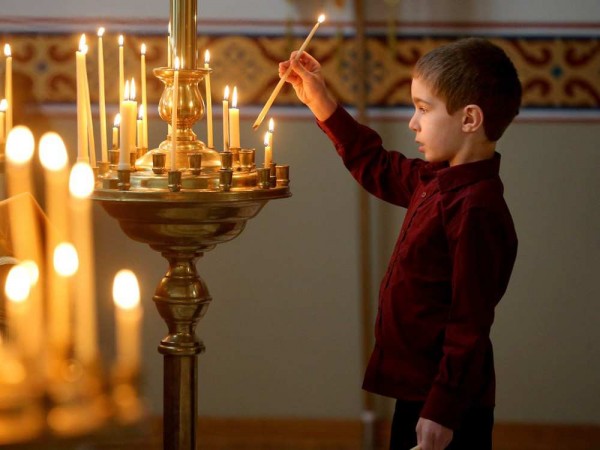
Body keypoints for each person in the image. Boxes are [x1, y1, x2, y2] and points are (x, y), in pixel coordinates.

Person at [279, 37, 521, 450]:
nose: (413, 122)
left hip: (447, 403)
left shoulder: (476, 209)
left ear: (469, 120)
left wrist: (442, 410)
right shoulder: (435, 180)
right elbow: (374, 163)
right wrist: (319, 101)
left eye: (423, 109)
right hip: (418, 391)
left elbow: (469, 324)